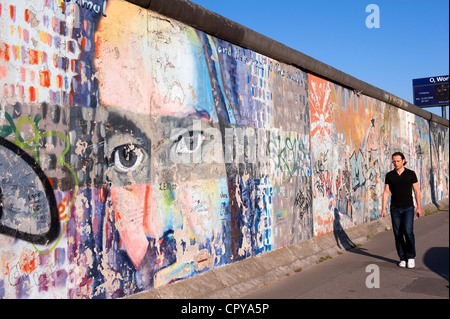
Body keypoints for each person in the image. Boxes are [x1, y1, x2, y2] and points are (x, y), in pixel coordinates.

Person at [381, 152, 422, 269]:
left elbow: (417, 191)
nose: (396, 163)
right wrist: (383, 208)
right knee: (397, 233)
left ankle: (410, 257)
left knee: (408, 232)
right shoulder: (389, 175)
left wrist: (419, 207)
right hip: (395, 209)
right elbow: (386, 192)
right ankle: (402, 258)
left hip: (408, 208)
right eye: (394, 161)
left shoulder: (411, 174)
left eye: (398, 161)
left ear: (403, 161)